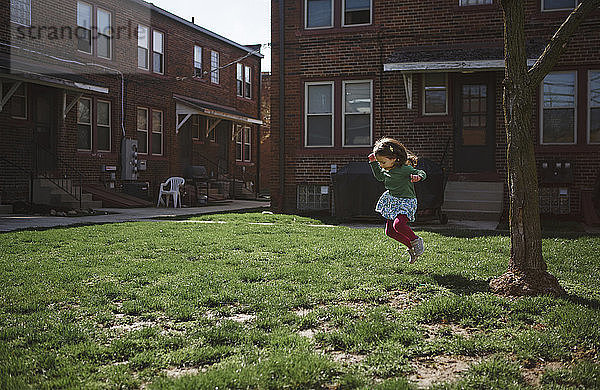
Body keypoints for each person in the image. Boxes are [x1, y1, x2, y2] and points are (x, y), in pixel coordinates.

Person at [368, 137, 426, 263]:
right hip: (392, 200)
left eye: (382, 162)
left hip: (406, 201)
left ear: (393, 159)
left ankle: (416, 240)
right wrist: (373, 163)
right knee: (390, 232)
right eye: (379, 163)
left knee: (398, 225)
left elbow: (421, 172)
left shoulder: (404, 169)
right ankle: (411, 248)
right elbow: (379, 177)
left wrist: (418, 177)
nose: (381, 165)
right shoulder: (386, 169)